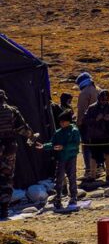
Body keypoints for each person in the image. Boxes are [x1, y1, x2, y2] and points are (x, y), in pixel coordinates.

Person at [0, 90, 38, 221]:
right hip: (8, 148)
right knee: (6, 177)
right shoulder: (11, 111)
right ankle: (4, 209)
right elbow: (22, 128)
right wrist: (32, 136)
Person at [37, 110, 80, 210]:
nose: (61, 123)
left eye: (63, 121)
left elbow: (75, 144)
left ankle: (74, 196)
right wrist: (44, 146)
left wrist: (63, 147)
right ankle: (58, 197)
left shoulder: (74, 131)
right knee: (59, 178)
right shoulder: (58, 132)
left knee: (72, 177)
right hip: (61, 158)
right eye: (60, 122)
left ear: (68, 121)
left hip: (71, 157)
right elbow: (53, 143)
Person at [81, 90, 109, 184]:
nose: (104, 101)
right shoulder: (92, 107)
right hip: (95, 136)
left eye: (106, 100)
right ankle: (92, 176)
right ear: (99, 98)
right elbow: (85, 120)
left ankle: (108, 174)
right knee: (94, 156)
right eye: (102, 100)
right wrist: (96, 119)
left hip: (107, 135)